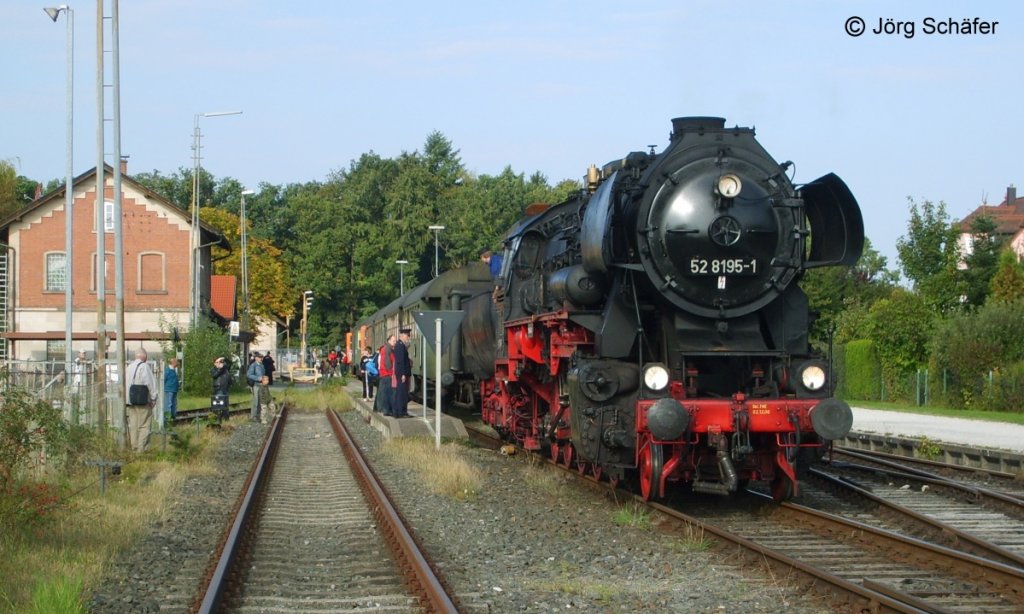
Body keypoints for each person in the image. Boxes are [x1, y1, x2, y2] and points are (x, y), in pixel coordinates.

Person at [125, 348, 158, 453]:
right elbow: (150, 383)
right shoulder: (144, 367)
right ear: (145, 356)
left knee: (133, 426)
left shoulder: (129, 367)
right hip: (142, 401)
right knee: (144, 425)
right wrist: (153, 398)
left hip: (130, 402)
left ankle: (134, 448)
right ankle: (141, 449)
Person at [391, 328, 413, 418]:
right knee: (401, 393)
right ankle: (400, 412)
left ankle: (402, 411)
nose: (408, 337)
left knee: (403, 393)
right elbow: (400, 361)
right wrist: (403, 374)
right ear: (402, 335)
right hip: (401, 373)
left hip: (402, 373)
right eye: (407, 335)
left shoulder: (401, 345)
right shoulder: (400, 346)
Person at [376, 334, 396, 415]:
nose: (395, 342)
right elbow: (387, 363)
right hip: (386, 374)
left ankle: (386, 409)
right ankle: (386, 410)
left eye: (395, 341)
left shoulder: (388, 349)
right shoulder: (387, 349)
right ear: (389, 341)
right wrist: (391, 373)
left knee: (386, 393)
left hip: (386, 374)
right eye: (393, 341)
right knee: (387, 393)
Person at [211, 356, 232, 422]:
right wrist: (220, 368)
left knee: (226, 404)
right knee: (219, 404)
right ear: (214, 363)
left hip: (225, 388)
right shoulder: (213, 369)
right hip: (218, 389)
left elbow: (230, 363)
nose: (218, 363)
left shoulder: (225, 368)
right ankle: (219, 419)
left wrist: (223, 358)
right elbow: (215, 375)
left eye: (219, 362)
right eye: (217, 362)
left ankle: (226, 419)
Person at [246, 352, 266, 422]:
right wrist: (257, 378)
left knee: (260, 401)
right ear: (256, 358)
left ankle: (258, 415)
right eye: (260, 357)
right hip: (256, 385)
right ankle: (253, 416)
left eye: (262, 357)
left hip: (261, 385)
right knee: (256, 401)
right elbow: (249, 375)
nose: (261, 359)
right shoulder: (253, 365)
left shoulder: (262, 365)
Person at [163, 356, 180, 421]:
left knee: (174, 404)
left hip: (174, 390)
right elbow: (164, 379)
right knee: (169, 404)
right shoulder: (167, 371)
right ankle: (167, 418)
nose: (177, 363)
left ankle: (173, 417)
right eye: (176, 361)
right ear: (173, 362)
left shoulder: (173, 370)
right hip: (169, 390)